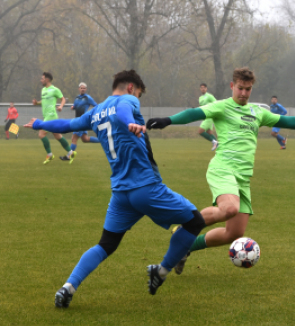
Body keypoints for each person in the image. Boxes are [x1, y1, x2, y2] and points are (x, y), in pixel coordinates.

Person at [24, 69, 206, 307]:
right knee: (195, 222)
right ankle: (161, 272)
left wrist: (39, 123)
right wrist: (131, 121)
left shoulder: (96, 110)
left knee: (105, 245)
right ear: (131, 87)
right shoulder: (127, 100)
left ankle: (68, 287)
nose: (136, 101)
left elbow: (67, 124)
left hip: (121, 194)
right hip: (146, 188)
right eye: (138, 95)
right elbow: (123, 110)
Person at [146, 67, 295, 274]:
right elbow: (194, 113)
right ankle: (186, 227)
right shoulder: (221, 107)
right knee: (229, 209)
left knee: (234, 233)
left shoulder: (257, 112)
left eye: (248, 89)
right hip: (223, 168)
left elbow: (288, 121)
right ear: (232, 86)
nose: (243, 93)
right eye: (240, 88)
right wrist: (168, 120)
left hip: (243, 177)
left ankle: (186, 248)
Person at [32, 72, 76, 164]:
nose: (41, 80)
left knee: (41, 134)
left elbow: (63, 99)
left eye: (42, 78)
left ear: (47, 79)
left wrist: (61, 106)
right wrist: (37, 103)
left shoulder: (55, 90)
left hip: (51, 116)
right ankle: (71, 152)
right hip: (47, 116)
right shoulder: (43, 90)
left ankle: (50, 155)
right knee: (57, 136)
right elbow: (44, 101)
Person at [60, 82, 100, 161]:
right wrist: (73, 107)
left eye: (84, 88)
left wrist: (93, 114)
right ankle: (101, 140)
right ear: (79, 89)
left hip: (81, 121)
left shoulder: (88, 98)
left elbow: (96, 106)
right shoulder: (77, 98)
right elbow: (76, 106)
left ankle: (69, 156)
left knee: (74, 139)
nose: (83, 89)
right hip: (77, 120)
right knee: (84, 139)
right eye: (81, 88)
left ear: (86, 89)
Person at [198, 83, 218, 151]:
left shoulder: (209, 96)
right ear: (200, 89)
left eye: (204, 87)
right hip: (205, 117)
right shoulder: (200, 98)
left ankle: (214, 142)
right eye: (201, 87)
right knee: (209, 132)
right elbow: (202, 107)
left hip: (209, 116)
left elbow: (216, 103)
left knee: (200, 131)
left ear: (206, 89)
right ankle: (219, 146)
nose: (203, 89)